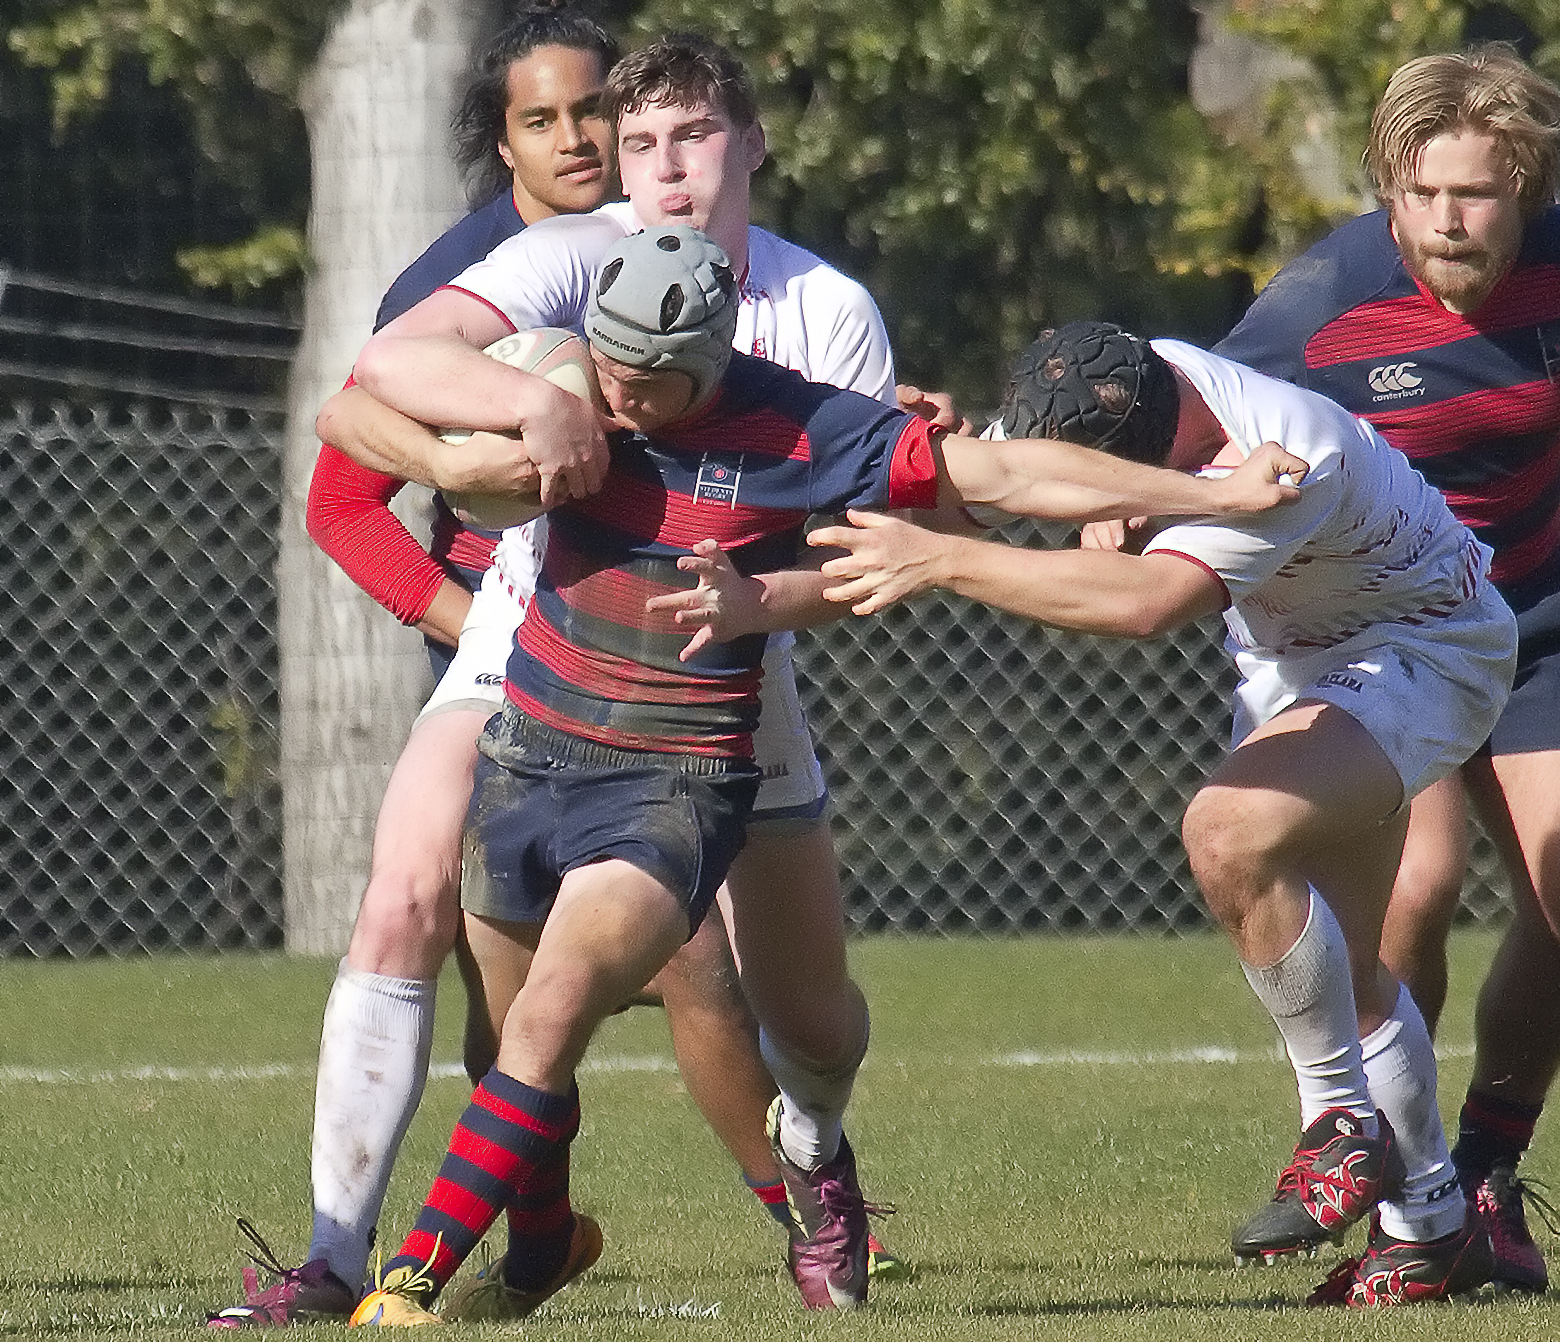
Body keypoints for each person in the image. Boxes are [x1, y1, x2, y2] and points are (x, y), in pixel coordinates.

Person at [342, 234, 1311, 1326]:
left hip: (670, 783)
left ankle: (404, 1283)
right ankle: (542, 1246)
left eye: (642, 379)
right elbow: (363, 395)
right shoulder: (564, 380)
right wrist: (483, 452)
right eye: (605, 365)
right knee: (515, 1053)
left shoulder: (796, 427)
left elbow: (1002, 471)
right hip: (528, 756)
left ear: (711, 361)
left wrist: (1213, 497)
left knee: (564, 1017)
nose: (617, 393)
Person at [206, 6, 836, 1330]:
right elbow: (343, 476)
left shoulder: (793, 296)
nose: (583, 140)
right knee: (407, 896)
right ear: (500, 139)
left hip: (712, 652)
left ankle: (789, 1194)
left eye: (599, 112)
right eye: (543, 118)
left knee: (719, 984)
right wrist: (459, 557)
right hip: (518, 639)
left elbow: (858, 502)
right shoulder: (504, 279)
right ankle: (337, 1258)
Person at [687, 321, 1517, 1306]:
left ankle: (1339, 1123)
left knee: (1227, 829)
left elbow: (1143, 604)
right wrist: (764, 597)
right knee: (1354, 973)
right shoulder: (1118, 381)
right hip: (1308, 665)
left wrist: (947, 563)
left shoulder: (1289, 452)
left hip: (1427, 650)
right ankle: (1432, 1231)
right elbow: (971, 506)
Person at [1215, 43, 1560, 1293]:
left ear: (1527, 187)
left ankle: (1481, 1169)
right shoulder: (1323, 295)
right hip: (1392, 634)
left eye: (1474, 196)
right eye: (1420, 195)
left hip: (1535, 614)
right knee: (1414, 895)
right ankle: (1398, 1185)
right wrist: (1124, 505)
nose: (1444, 221)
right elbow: (1196, 406)